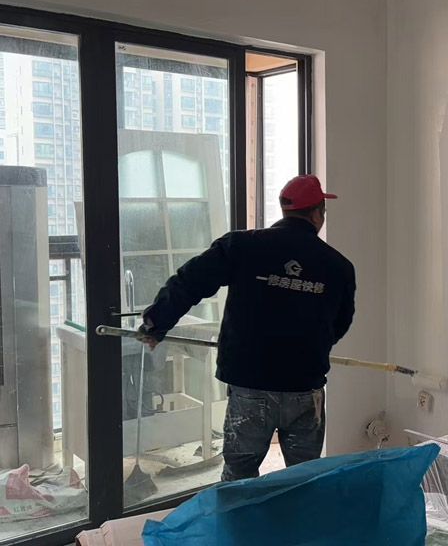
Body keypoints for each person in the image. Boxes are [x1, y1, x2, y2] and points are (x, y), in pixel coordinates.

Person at [137, 175, 356, 481]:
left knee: (239, 479)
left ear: (285, 209)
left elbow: (191, 280)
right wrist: (309, 346)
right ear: (317, 214)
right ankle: (300, 513)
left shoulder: (242, 246)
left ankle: (239, 514)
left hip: (249, 388)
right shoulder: (338, 266)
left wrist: (156, 323)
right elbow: (341, 322)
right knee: (305, 480)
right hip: (305, 391)